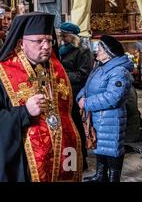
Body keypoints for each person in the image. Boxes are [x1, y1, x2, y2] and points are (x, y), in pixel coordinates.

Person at [0, 12, 82, 182]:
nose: (46, 46)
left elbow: (70, 113)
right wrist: (24, 112)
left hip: (62, 159)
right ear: (21, 43)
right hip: (24, 165)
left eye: (49, 40)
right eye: (39, 41)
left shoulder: (57, 70)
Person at [78, 35, 132, 182]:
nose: (97, 51)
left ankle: (114, 179)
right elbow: (88, 86)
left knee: (112, 150)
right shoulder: (101, 67)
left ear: (109, 52)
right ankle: (100, 175)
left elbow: (114, 97)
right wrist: (80, 96)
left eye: (100, 49)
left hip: (111, 118)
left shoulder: (119, 71)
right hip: (99, 116)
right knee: (100, 147)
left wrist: (87, 102)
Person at [58, 22, 93, 170]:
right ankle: (67, 159)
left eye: (64, 35)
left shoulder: (82, 51)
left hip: (74, 92)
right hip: (62, 90)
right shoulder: (61, 49)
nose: (62, 38)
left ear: (72, 36)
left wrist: (62, 74)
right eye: (61, 35)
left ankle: (80, 160)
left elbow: (82, 75)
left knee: (75, 126)